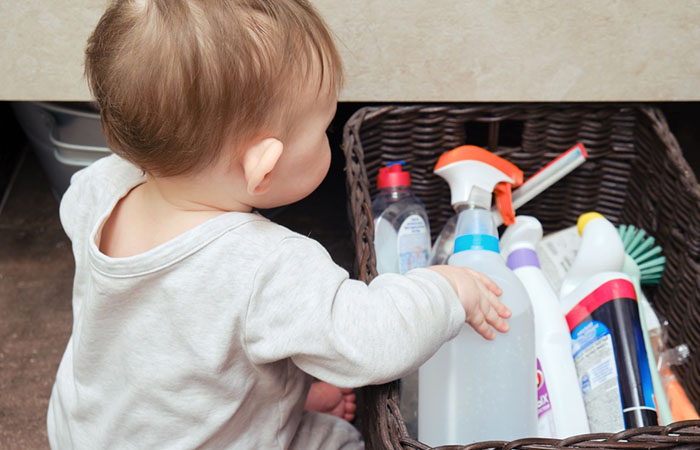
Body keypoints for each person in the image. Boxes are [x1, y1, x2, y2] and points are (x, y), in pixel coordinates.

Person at [47, 1, 511, 449]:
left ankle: (269, 399)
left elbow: (179, 342)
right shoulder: (265, 267)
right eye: (325, 128)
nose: (330, 136)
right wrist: (448, 290)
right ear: (264, 168)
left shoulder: (98, 185)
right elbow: (371, 338)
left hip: (92, 430)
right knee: (343, 441)